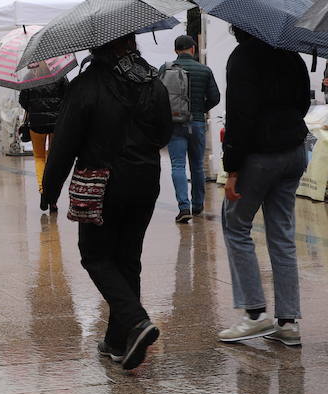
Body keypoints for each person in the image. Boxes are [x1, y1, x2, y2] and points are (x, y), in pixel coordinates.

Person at [41, 34, 171, 369]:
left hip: (102, 183)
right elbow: (164, 134)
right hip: (145, 181)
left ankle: (137, 320)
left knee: (95, 256)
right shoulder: (152, 80)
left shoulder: (87, 85)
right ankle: (118, 340)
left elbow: (65, 142)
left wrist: (49, 189)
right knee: (128, 258)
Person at [217, 26, 311, 347]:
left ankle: (255, 314)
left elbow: (239, 116)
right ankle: (288, 321)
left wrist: (232, 169)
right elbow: (302, 102)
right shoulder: (290, 53)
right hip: (294, 150)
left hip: (260, 155)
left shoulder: (242, 58)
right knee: (282, 234)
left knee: (236, 225)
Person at [161, 34, 221, 224]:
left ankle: (183, 207)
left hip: (175, 123)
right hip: (196, 123)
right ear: (193, 49)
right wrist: (200, 110)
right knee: (196, 165)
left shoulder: (166, 68)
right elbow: (215, 97)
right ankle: (197, 205)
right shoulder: (204, 70)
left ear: (176, 51)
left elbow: (158, 95)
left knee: (178, 165)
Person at [19, 78, 67, 195]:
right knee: (53, 157)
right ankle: (53, 192)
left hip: (36, 123)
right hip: (56, 123)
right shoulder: (59, 77)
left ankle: (42, 189)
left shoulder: (28, 78)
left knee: (39, 158)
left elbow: (23, 101)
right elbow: (68, 96)